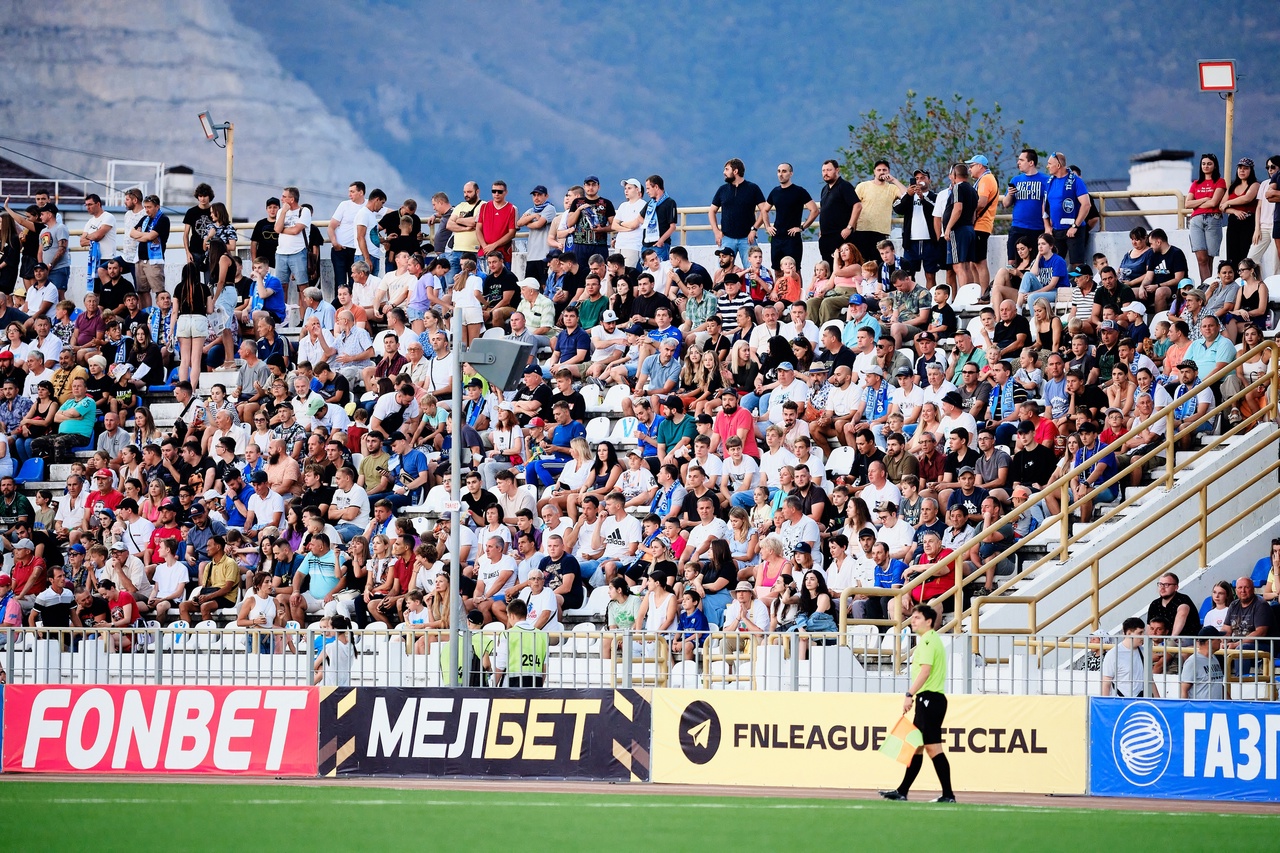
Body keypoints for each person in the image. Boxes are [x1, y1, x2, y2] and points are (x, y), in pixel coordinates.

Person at [880, 603, 955, 803]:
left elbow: (925, 671)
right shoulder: (927, 640)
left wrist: (909, 693)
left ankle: (948, 794)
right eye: (912, 618)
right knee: (917, 746)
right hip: (927, 699)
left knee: (933, 748)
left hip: (930, 698)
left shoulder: (929, 641)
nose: (912, 621)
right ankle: (902, 791)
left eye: (917, 618)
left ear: (928, 621)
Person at [488, 598, 548, 688]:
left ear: (511, 615)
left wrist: (492, 686)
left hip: (512, 683)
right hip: (536, 682)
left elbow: (500, 664)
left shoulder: (507, 634)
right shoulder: (542, 635)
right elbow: (544, 667)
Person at [1101, 616, 1158, 698]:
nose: (1143, 636)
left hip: (1142, 702)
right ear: (1128, 633)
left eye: (1143, 632)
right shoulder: (1113, 654)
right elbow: (1106, 683)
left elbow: (1150, 680)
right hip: (1121, 703)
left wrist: (1159, 701)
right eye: (1140, 633)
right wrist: (1105, 705)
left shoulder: (1144, 651)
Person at [1180, 627, 1226, 700]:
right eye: (1218, 639)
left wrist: (1230, 702)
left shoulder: (1214, 658)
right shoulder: (1193, 662)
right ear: (1209, 642)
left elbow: (1219, 685)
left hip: (1215, 707)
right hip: (1201, 708)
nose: (1220, 641)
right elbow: (1184, 690)